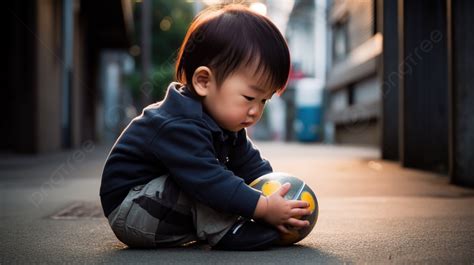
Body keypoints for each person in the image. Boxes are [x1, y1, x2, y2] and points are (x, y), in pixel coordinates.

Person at [99, 4, 311, 250]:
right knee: (208, 180)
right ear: (203, 82)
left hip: (162, 206)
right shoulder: (178, 124)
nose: (256, 110)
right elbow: (208, 180)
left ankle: (227, 222)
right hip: (132, 208)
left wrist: (276, 192)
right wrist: (263, 208)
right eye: (250, 98)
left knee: (221, 182)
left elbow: (251, 166)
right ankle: (226, 231)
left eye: (264, 100)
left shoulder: (226, 124)